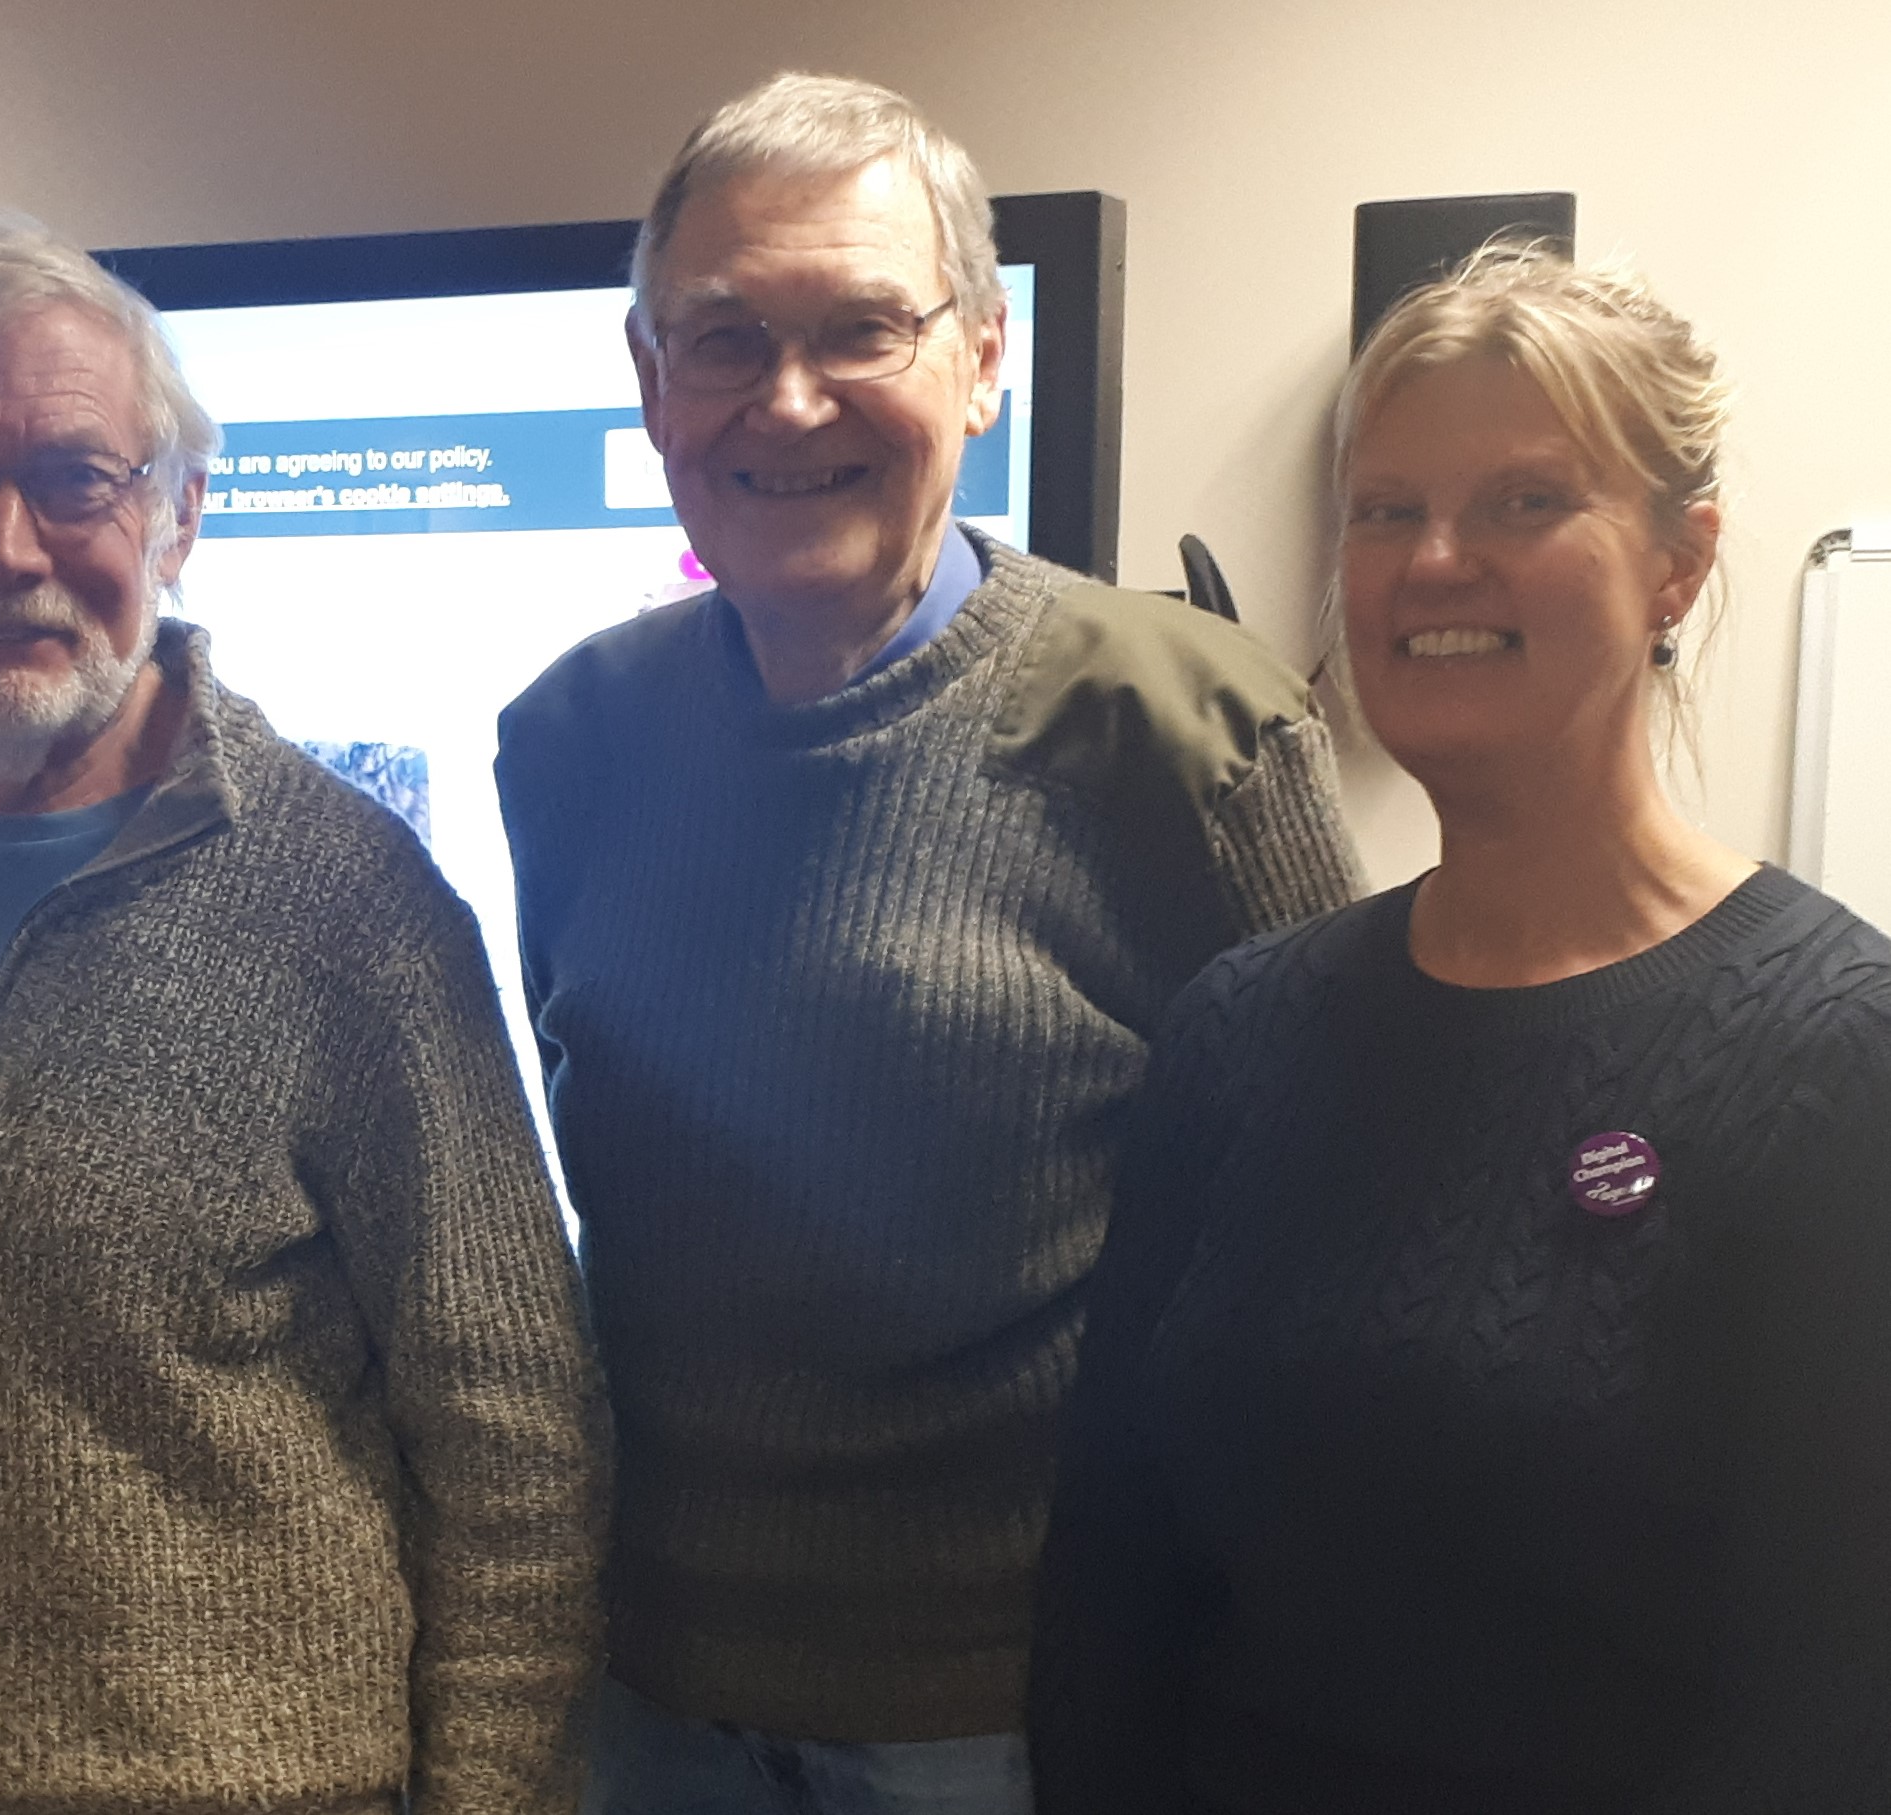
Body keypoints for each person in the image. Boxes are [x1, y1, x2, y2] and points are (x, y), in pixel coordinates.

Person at [494, 73, 1360, 1815]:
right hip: (649, 1700)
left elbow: (1335, 1256)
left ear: (979, 359)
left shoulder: (1182, 734)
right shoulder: (567, 737)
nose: (786, 397)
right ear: (649, 380)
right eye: (722, 337)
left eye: (859, 328)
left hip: (1025, 1718)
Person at [0, 219, 606, 1815]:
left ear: (181, 515)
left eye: (77, 475)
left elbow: (512, 1435)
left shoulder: (346, 898)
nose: (6, 541)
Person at [1028, 246, 1891, 1810]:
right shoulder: (1238, 1030)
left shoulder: (1834, 1051)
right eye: (1384, 509)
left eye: (1519, 501)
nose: (1431, 560)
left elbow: (1831, 1702)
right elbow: (1113, 1574)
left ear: (1675, 562)